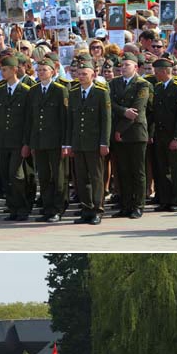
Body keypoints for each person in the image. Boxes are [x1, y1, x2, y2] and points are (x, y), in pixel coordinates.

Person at [64, 54, 111, 225]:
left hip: (94, 143)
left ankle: (97, 209)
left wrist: (104, 142)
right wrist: (68, 144)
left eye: (85, 73)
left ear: (93, 75)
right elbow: (70, 121)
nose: (81, 76)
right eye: (79, 73)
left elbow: (106, 120)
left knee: (96, 177)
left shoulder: (101, 93)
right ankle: (86, 209)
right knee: (81, 178)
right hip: (79, 143)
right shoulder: (74, 93)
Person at [25, 56, 68, 223]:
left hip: (56, 141)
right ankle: (47, 207)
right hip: (39, 140)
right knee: (43, 176)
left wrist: (65, 143)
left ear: (53, 72)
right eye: (39, 70)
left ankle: (57, 208)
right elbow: (31, 118)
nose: (41, 73)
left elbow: (64, 119)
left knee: (58, 177)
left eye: (44, 70)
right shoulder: (34, 91)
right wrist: (30, 141)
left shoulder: (59, 90)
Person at [109, 53, 149, 219]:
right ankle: (125, 205)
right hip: (119, 132)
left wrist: (120, 129)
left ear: (136, 67)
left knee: (137, 171)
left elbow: (137, 110)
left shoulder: (142, 84)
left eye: (127, 65)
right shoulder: (114, 83)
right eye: (122, 65)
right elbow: (109, 103)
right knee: (123, 171)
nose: (123, 67)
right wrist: (122, 110)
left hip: (135, 132)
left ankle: (138, 205)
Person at [0, 55, 31, 221]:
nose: (2, 72)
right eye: (1, 69)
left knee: (17, 175)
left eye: (5, 69)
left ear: (15, 70)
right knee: (6, 176)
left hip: (18, 141)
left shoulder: (25, 91)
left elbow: (29, 120)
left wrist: (26, 143)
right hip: (3, 141)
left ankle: (22, 207)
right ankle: (12, 207)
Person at [151, 57, 177, 212]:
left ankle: (176, 200)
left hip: (172, 135)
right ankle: (165, 200)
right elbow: (154, 113)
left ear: (165, 71)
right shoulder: (158, 88)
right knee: (162, 168)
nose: (155, 74)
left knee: (175, 169)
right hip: (160, 134)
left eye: (157, 71)